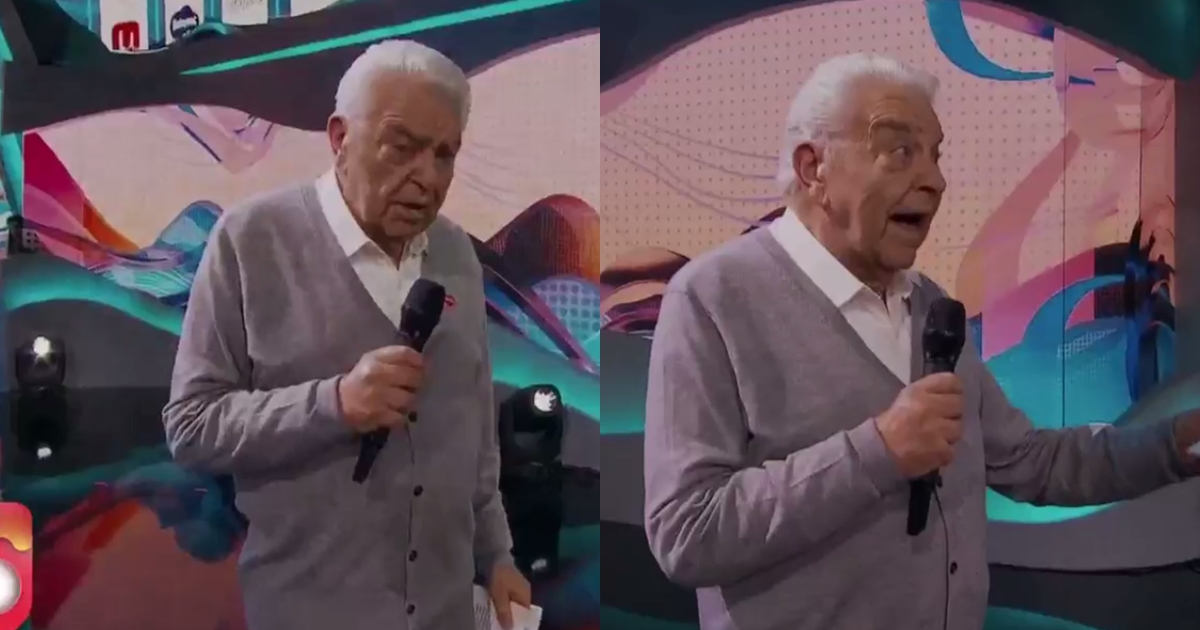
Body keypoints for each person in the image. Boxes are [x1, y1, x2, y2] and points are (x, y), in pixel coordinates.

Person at [641, 52, 1200, 630]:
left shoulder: (929, 304)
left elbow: (1029, 460)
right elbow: (687, 532)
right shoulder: (712, 299)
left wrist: (1175, 444)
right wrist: (876, 452)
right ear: (814, 168)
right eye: (900, 151)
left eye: (935, 155)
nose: (935, 180)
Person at [163, 40, 531, 630]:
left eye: (444, 155)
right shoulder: (250, 242)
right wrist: (333, 404)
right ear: (339, 137)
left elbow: (474, 432)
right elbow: (191, 426)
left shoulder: (457, 253)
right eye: (402, 147)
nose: (427, 178)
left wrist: (497, 557)